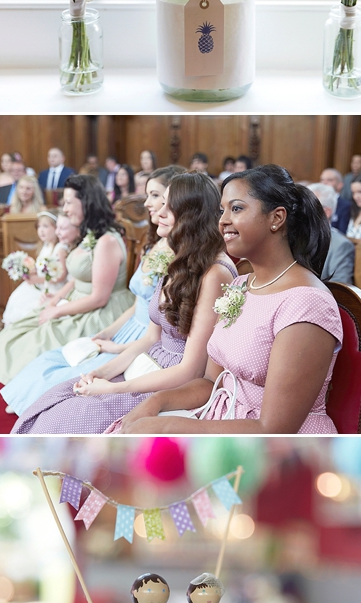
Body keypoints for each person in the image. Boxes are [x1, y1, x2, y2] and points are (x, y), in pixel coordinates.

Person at [119, 164, 344, 434]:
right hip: (219, 414)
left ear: (277, 218)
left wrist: (168, 424)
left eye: (236, 209)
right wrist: (155, 402)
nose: (223, 220)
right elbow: (211, 382)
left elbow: (272, 428)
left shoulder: (307, 303)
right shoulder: (240, 285)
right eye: (222, 210)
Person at [13, 173, 236, 434]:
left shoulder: (215, 274)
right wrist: (103, 372)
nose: (158, 212)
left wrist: (113, 388)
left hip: (172, 383)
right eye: (160, 202)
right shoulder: (177, 260)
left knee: (70, 419)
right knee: (56, 398)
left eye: (169, 205)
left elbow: (192, 370)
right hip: (146, 363)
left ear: (192, 213)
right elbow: (151, 338)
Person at [0, 165, 184, 416]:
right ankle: (28, 399)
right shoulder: (155, 244)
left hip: (144, 338)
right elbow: (136, 304)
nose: (149, 203)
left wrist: (115, 347)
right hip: (127, 324)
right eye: (149, 195)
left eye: (156, 196)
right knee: (51, 359)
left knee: (67, 376)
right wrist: (107, 333)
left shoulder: (176, 254)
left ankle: (37, 404)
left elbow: (157, 329)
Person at [0, 174, 134, 385]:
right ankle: (22, 389)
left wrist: (57, 310)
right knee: (15, 332)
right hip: (76, 300)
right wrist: (55, 298)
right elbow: (78, 279)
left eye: (69, 203)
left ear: (87, 203)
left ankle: (29, 390)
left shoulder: (106, 241)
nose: (65, 209)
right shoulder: (90, 234)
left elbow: (99, 297)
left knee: (36, 341)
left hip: (101, 311)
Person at [1, 211, 72, 325]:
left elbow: (62, 275)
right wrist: (30, 271)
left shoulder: (60, 249)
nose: (41, 230)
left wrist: (37, 279)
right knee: (17, 298)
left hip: (53, 288)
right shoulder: (45, 246)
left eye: (45, 226)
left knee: (29, 303)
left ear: (56, 228)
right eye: (39, 226)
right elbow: (41, 267)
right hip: (40, 284)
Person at [308, 183, 354, 283]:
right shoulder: (294, 237)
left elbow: (340, 288)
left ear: (326, 212)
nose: (302, 211)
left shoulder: (341, 245)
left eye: (308, 207)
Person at [319, 168, 351, 234]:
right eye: (322, 180)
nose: (324, 183)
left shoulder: (345, 206)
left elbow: (342, 233)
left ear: (340, 185)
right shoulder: (316, 201)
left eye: (329, 180)